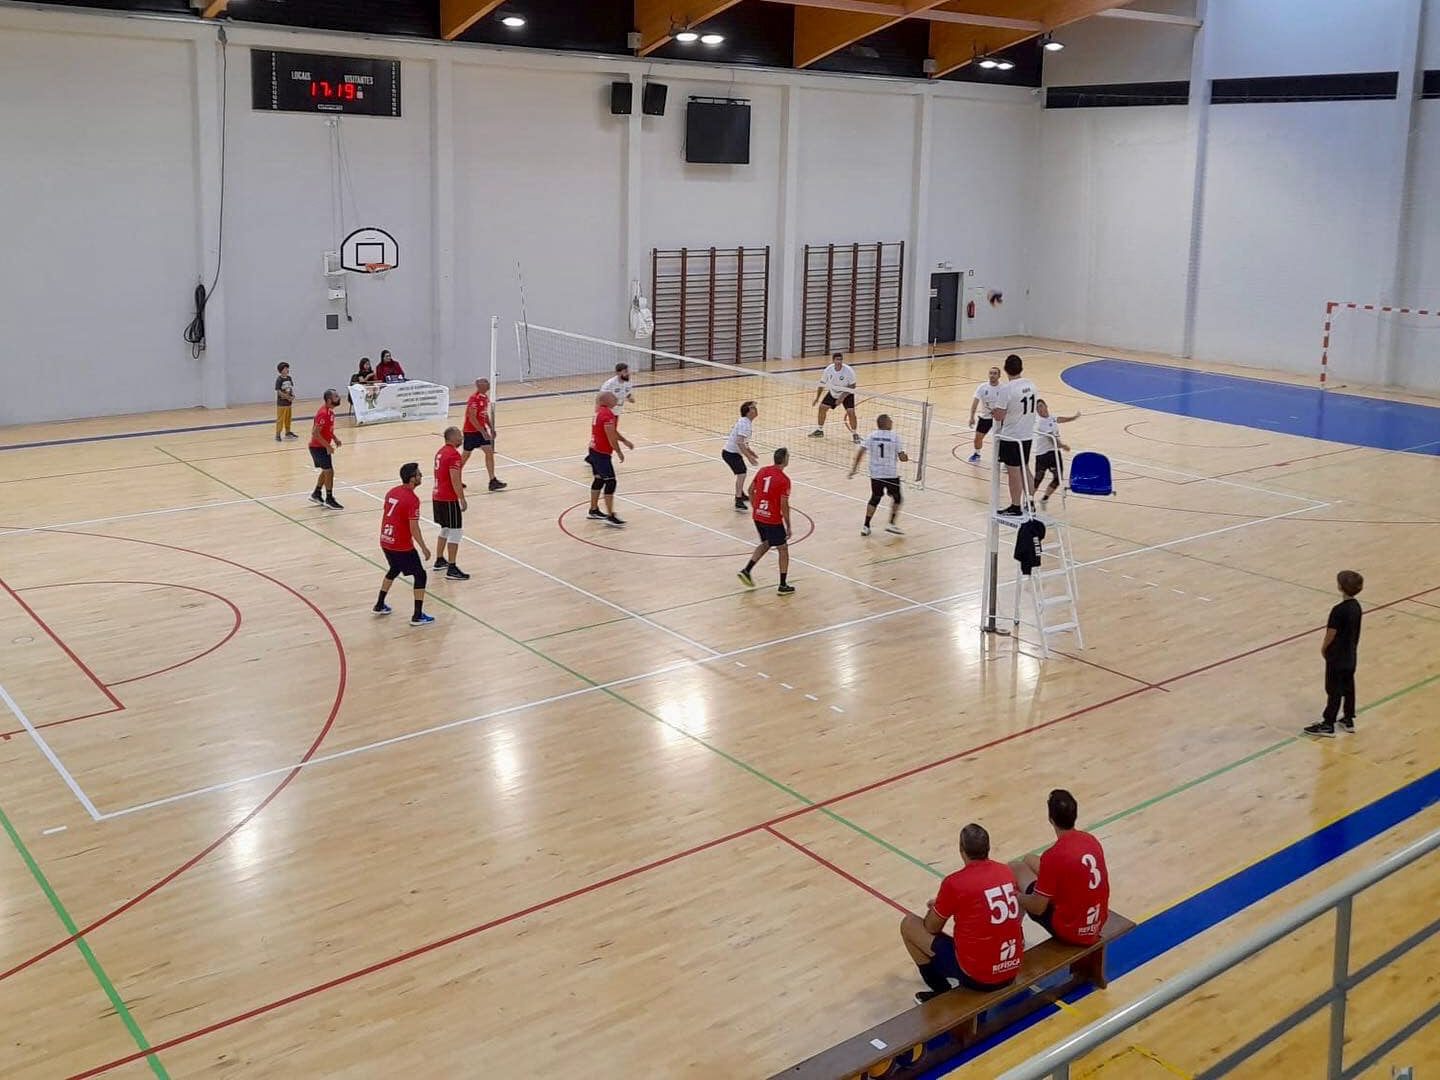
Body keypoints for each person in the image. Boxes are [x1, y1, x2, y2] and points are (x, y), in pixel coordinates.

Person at [900, 823, 1024, 1004]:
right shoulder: (1006, 871)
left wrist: (939, 907)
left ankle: (940, 991)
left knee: (909, 924)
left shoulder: (954, 883)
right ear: (988, 848)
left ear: (961, 849)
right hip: (1012, 966)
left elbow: (931, 927)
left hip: (980, 977)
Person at [1009, 789, 1110, 947]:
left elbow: (1037, 908)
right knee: (1029, 858)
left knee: (1014, 869)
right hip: (1098, 920)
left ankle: (1015, 936)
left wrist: (1016, 896)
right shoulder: (1091, 840)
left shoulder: (1054, 856)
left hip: (1071, 930)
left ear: (1051, 819)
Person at [1305, 570, 1364, 737]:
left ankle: (1328, 724)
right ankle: (1348, 719)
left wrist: (1324, 648)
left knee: (1333, 690)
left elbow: (1331, 633)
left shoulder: (1338, 610)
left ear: (1340, 587)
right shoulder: (1356, 607)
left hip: (1336, 657)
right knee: (1348, 687)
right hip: (1351, 655)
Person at [374, 462, 435, 626]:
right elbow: (414, 528)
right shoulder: (412, 499)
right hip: (401, 546)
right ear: (412, 478)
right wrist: (424, 548)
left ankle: (379, 604)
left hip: (386, 540)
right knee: (420, 575)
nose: (421, 476)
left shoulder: (391, 492)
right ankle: (417, 615)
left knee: (395, 568)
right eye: (419, 474)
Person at [737, 448, 795, 595]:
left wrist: (755, 507)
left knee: (767, 542)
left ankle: (746, 570)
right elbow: (784, 505)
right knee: (783, 549)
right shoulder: (784, 480)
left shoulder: (763, 471)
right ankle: (782, 585)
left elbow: (750, 490)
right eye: (788, 456)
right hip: (772, 519)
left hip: (758, 516)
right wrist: (788, 526)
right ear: (785, 460)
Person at [988, 353, 1039, 516]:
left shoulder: (1006, 389)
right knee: (1025, 468)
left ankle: (1015, 506)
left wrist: (993, 410)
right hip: (1027, 434)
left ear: (1005, 369)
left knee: (1013, 472)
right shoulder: (1031, 385)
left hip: (1011, 436)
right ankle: (1030, 502)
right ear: (1021, 368)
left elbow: (1000, 415)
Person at [851, 414, 909, 536]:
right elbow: (902, 457)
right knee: (897, 498)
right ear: (886, 423)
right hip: (890, 473)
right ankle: (891, 524)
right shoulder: (894, 437)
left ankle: (866, 526)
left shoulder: (872, 436)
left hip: (876, 473)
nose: (892, 422)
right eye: (890, 420)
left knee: (875, 498)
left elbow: (861, 451)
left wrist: (854, 468)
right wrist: (906, 457)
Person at [587, 390, 633, 527]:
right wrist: (618, 451)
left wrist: (624, 440)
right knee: (611, 482)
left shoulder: (600, 412)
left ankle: (593, 510)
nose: (615, 399)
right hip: (601, 453)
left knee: (599, 479)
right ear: (605, 401)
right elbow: (610, 436)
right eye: (613, 398)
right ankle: (610, 516)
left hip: (594, 450)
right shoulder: (607, 414)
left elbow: (612, 431)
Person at [431, 426, 470, 581]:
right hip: (448, 498)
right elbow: (455, 479)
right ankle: (452, 567)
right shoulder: (453, 455)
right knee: (456, 531)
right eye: (459, 436)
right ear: (452, 438)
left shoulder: (440, 452)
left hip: (437, 496)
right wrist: (462, 498)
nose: (461, 439)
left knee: (445, 528)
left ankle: (440, 559)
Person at [1032, 399, 1080, 509]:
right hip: (1042, 454)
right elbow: (1051, 438)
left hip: (1054, 454)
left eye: (1041, 406)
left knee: (1058, 478)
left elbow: (1059, 419)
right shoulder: (1040, 423)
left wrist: (1073, 418)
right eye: (1037, 408)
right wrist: (1063, 446)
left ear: (1046, 406)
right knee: (1038, 479)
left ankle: (1044, 499)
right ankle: (1028, 501)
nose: (1039, 409)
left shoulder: (1051, 418)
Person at [462, 378, 506, 491]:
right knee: (465, 456)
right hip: (471, 432)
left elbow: (484, 415)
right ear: (478, 385)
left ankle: (492, 481)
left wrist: (491, 428)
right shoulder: (474, 399)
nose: (488, 383)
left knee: (489, 452)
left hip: (480, 431)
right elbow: (472, 418)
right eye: (485, 382)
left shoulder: (485, 398)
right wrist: (483, 431)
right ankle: (453, 477)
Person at [811, 352, 860, 443]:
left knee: (851, 412)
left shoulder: (848, 370)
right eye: (837, 359)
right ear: (833, 360)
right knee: (822, 408)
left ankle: (855, 433)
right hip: (833, 392)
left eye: (840, 359)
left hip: (847, 392)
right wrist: (817, 398)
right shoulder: (828, 370)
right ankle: (819, 430)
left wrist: (842, 397)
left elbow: (853, 386)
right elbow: (821, 384)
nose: (839, 361)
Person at [308, 389, 344, 510]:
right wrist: (328, 446)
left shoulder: (331, 412)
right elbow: (315, 433)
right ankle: (329, 498)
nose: (339, 397)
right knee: (329, 471)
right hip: (317, 447)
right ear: (329, 400)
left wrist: (335, 439)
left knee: (326, 470)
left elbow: (328, 430)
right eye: (336, 396)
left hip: (322, 446)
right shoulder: (323, 413)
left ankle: (316, 493)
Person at [722, 401, 760, 511]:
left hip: (732, 453)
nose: (756, 409)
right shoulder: (745, 424)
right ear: (747, 412)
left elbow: (743, 442)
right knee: (742, 473)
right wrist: (749, 457)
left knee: (742, 473)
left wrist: (750, 451)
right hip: (730, 454)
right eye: (753, 408)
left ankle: (740, 495)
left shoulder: (746, 422)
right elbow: (739, 442)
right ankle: (738, 499)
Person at [966, 367, 1004, 464]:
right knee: (977, 438)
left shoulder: (1004, 388)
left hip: (1000, 418)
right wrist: (971, 417)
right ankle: (977, 454)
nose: (992, 375)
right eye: (991, 373)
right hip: (986, 418)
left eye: (995, 373)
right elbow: (975, 402)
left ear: (999, 376)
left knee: (1003, 439)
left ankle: (1003, 458)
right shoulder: (982, 387)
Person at [274, 362, 297, 442]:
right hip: (281, 404)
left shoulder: (289, 378)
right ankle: (278, 434)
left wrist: (292, 396)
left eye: (287, 368)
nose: (287, 370)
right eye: (285, 368)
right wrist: (287, 397)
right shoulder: (279, 379)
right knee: (280, 419)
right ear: (281, 370)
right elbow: (279, 391)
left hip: (288, 403)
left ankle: (288, 432)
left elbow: (290, 388)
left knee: (288, 418)